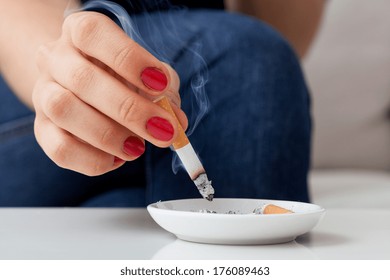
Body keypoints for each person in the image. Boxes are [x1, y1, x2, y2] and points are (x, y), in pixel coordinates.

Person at [0, 0, 325, 206]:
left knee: (123, 213)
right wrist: (63, 69)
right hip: (31, 85)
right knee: (249, 59)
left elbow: (285, 36)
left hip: (217, 83)